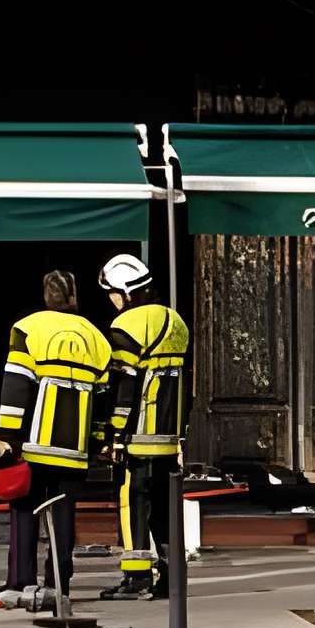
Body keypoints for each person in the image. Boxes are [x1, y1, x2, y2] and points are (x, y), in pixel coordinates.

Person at [0, 268, 112, 600]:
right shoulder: (96, 338)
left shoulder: (27, 328)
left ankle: (20, 583)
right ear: (74, 296)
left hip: (33, 445)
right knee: (63, 513)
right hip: (73, 450)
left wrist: (9, 436)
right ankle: (58, 583)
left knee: (24, 508)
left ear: (46, 296)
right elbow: (103, 399)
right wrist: (97, 440)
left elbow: (15, 385)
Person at [96, 252, 190, 600]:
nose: (111, 301)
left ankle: (136, 579)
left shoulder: (127, 326)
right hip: (168, 437)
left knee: (132, 503)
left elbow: (125, 386)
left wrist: (115, 434)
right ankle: (170, 577)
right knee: (166, 510)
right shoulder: (177, 322)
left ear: (123, 292)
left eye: (111, 294)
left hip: (138, 437)